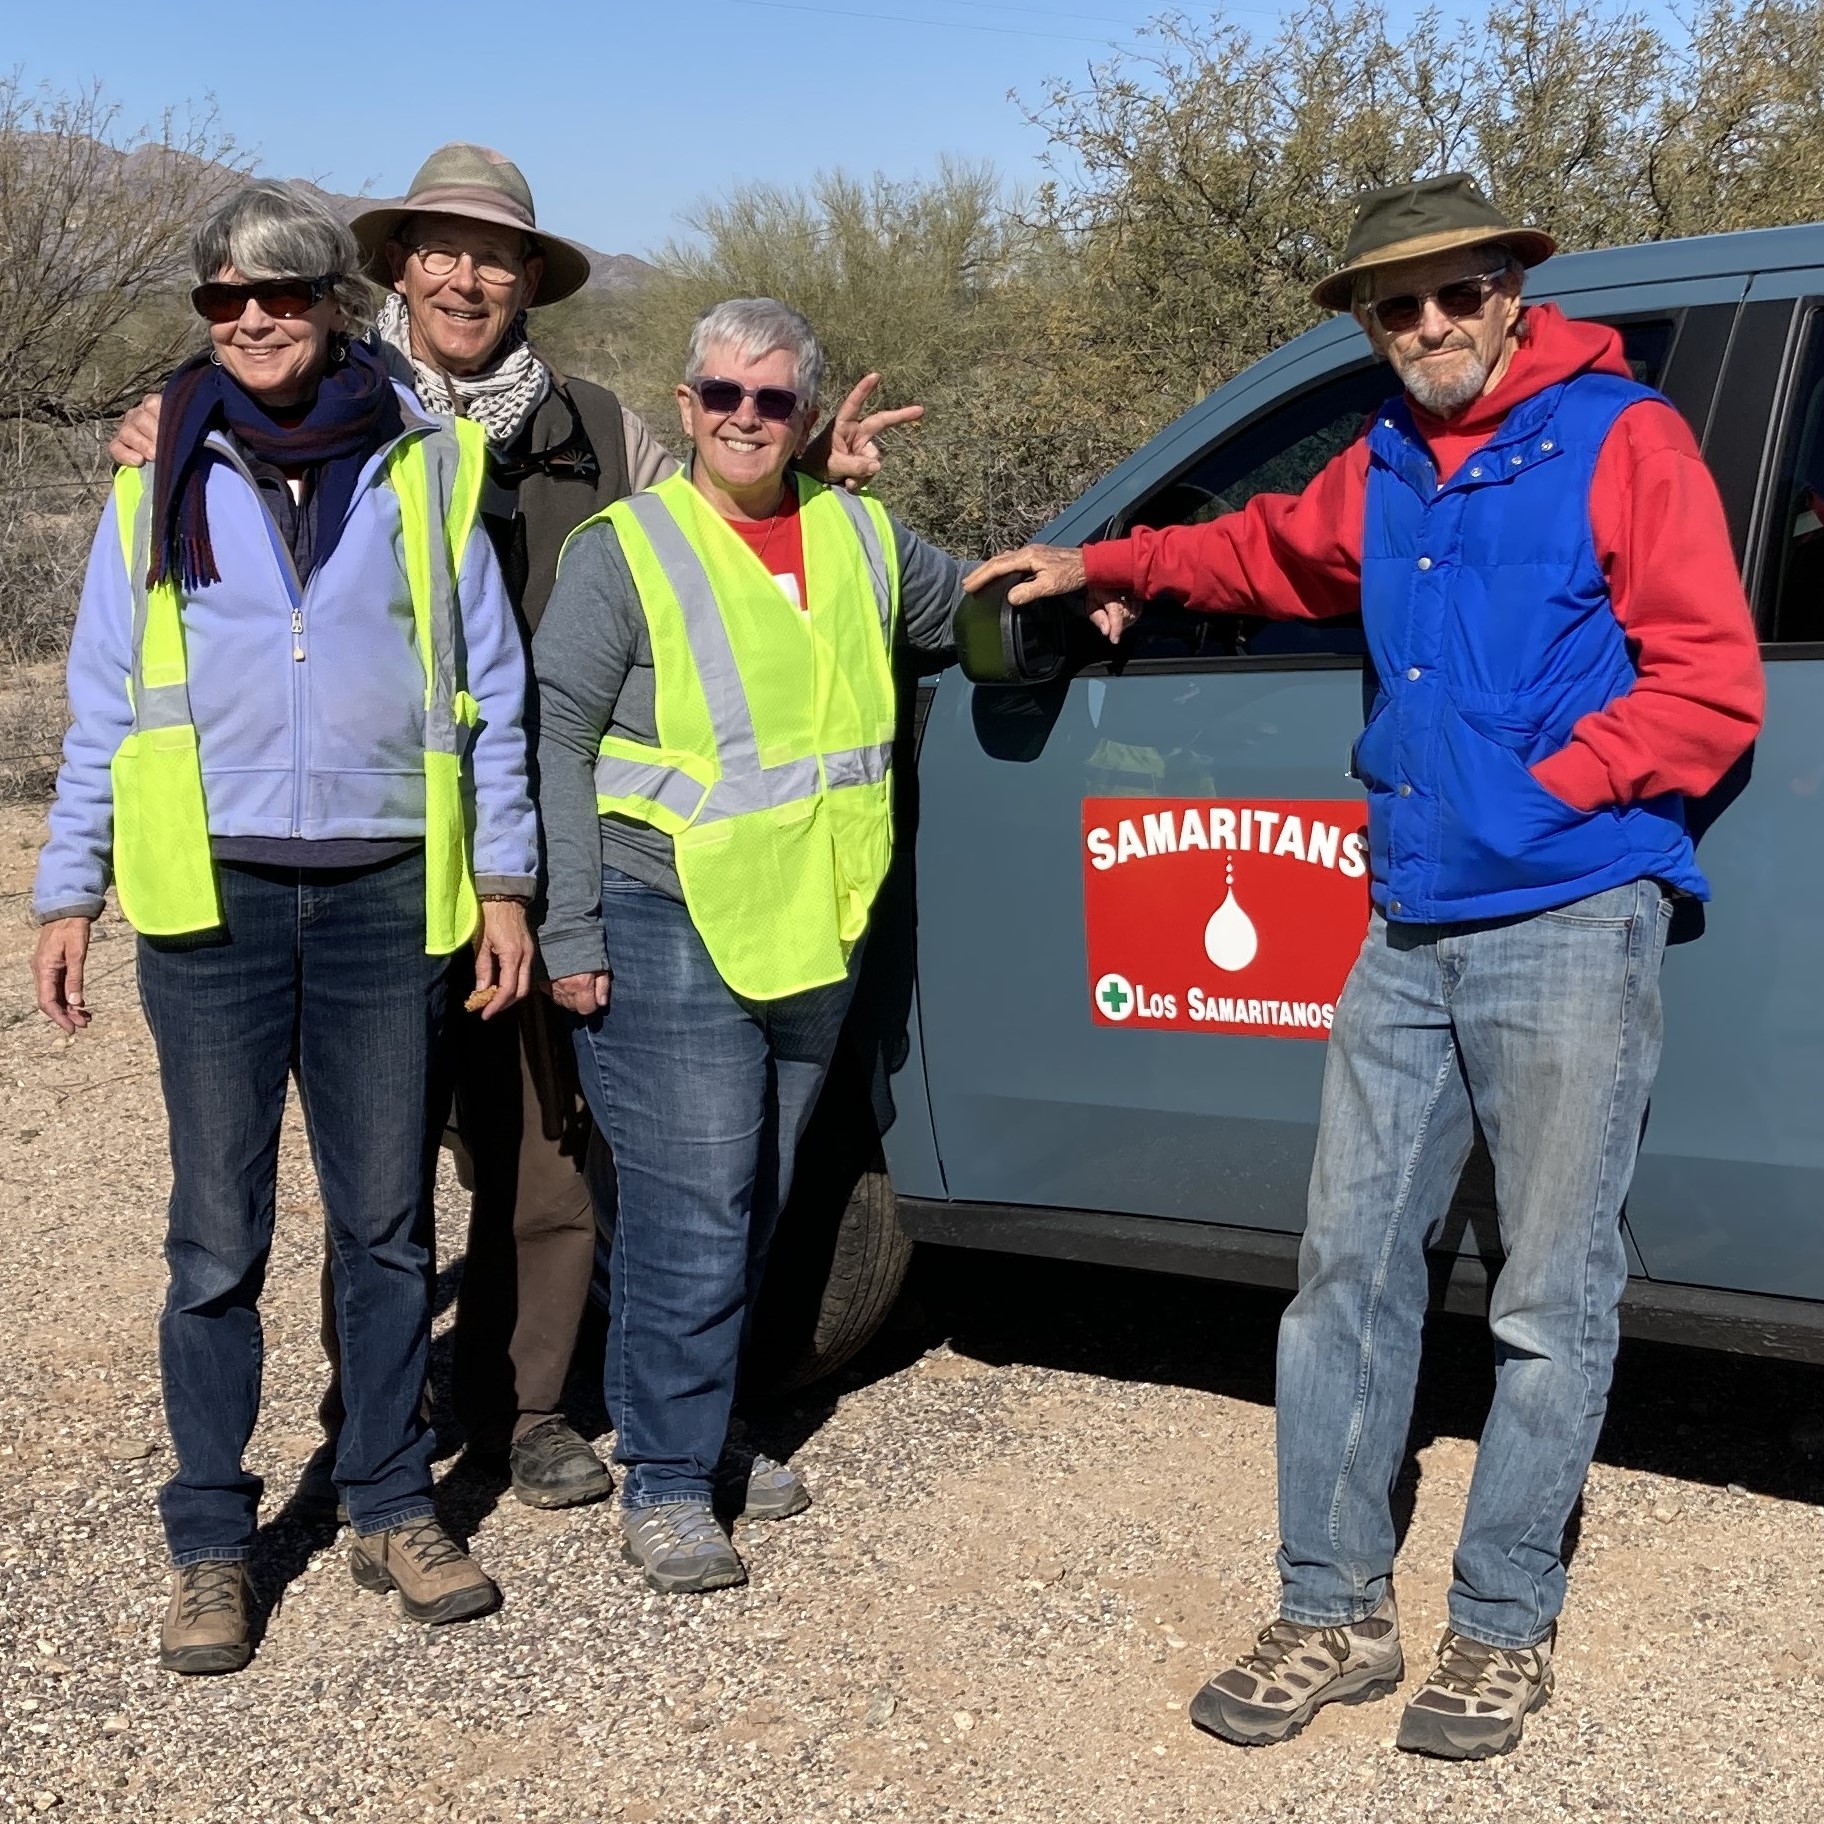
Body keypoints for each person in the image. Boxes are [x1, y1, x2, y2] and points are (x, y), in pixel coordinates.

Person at [967, 173, 1765, 1759]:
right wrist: (1104, 567)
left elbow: (1710, 688)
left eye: (1455, 294)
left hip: (1566, 919)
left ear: (1512, 293)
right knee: (1345, 1270)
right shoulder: (1392, 460)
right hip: (1406, 928)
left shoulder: (1626, 442)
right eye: (1393, 307)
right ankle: (1331, 1607)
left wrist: (1538, 797)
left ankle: (1501, 1622)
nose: (1427, 327)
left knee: (1549, 1294)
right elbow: (1261, 553)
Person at [110, 144, 920, 1513]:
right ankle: (380, 1404)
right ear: (398, 270)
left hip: (547, 826)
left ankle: (530, 1406)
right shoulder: (333, 407)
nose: (465, 274)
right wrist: (159, 420)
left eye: (494, 254)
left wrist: (809, 475)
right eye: (439, 248)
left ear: (530, 281)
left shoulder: (611, 432)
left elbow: (724, 504)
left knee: (545, 1139)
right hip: (388, 834)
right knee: (386, 1155)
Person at [32, 181, 536, 1672]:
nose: (252, 318)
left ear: (333, 306)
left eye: (283, 294)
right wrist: (69, 886)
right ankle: (210, 1539)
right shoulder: (152, 477)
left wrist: (500, 881)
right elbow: (101, 711)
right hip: (213, 905)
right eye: (222, 299)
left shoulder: (429, 466)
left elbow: (490, 692)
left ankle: (388, 1500)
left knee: (386, 1226)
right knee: (217, 1240)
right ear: (203, 315)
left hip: (391, 896)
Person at [535, 298, 966, 1594]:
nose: (741, 417)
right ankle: (669, 1477)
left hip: (809, 919)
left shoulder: (860, 536)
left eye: (770, 400)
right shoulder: (632, 551)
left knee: (752, 1198)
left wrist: (1100, 591)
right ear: (686, 405)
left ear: (806, 415)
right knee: (695, 1204)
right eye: (719, 394)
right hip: (660, 909)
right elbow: (552, 735)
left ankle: (692, 1417)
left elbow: (967, 612)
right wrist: (563, 923)